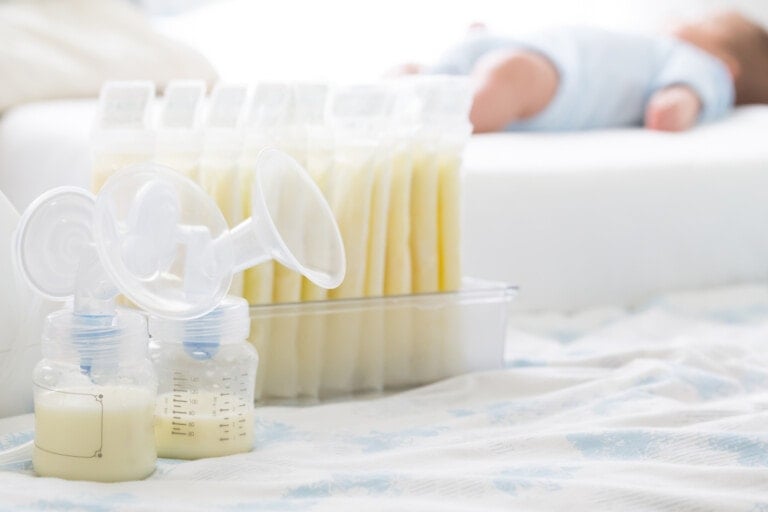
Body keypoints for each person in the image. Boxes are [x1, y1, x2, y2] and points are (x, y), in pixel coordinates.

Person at [399, 11, 768, 133]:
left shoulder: (704, 68)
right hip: (525, 52)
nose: (686, 19)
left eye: (704, 22)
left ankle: (419, 117)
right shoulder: (656, 46)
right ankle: (409, 92)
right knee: (429, 75)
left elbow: (673, 108)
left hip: (552, 79)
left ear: (728, 67)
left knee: (503, 80)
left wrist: (679, 104)